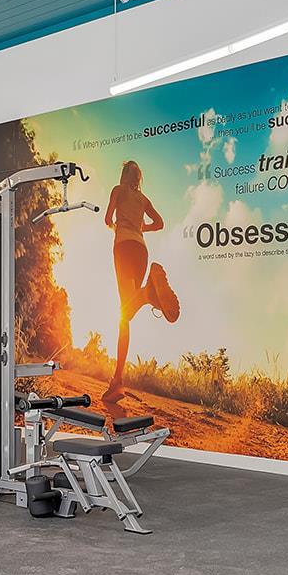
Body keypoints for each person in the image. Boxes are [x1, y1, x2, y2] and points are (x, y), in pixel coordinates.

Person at [104, 160, 179, 403]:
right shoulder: (143, 199)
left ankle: (148, 293)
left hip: (124, 246)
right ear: (138, 178)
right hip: (141, 249)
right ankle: (117, 380)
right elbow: (160, 223)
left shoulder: (118, 190)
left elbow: (107, 218)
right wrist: (140, 227)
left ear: (124, 175)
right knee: (126, 313)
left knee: (125, 313)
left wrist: (117, 225)